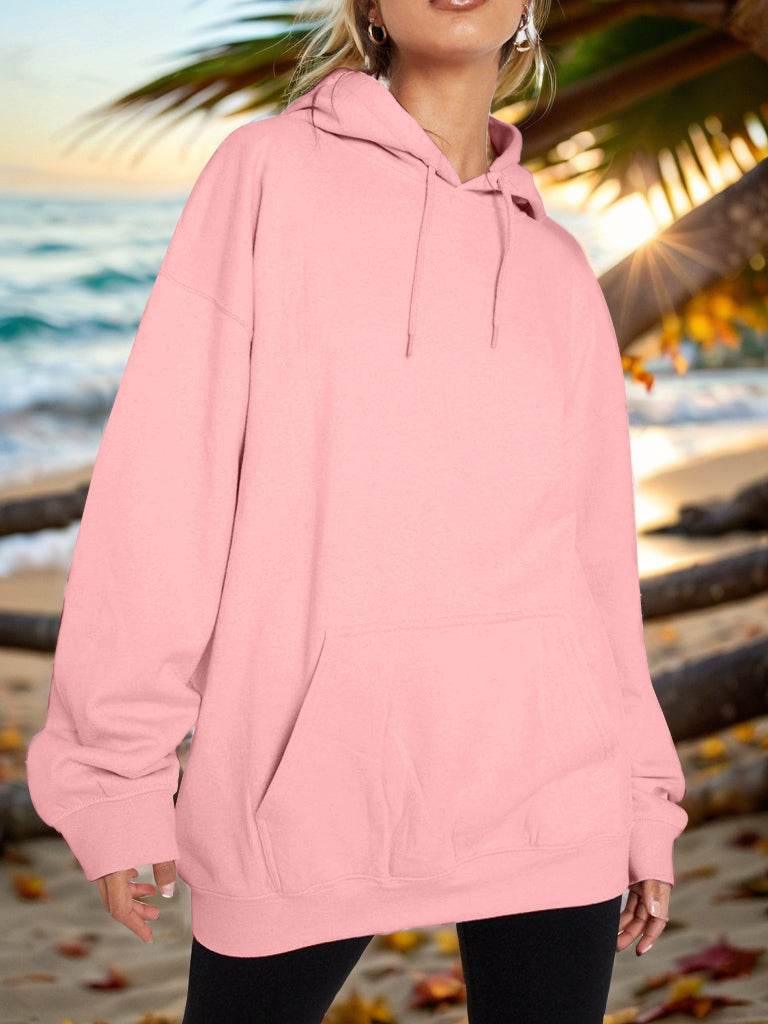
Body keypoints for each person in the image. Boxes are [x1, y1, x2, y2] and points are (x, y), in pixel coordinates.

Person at [25, 0, 689, 1021]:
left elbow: (596, 569)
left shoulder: (558, 269)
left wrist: (642, 795)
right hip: (304, 800)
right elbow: (165, 487)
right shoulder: (266, 177)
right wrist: (116, 774)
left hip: (556, 793)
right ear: (369, 3)